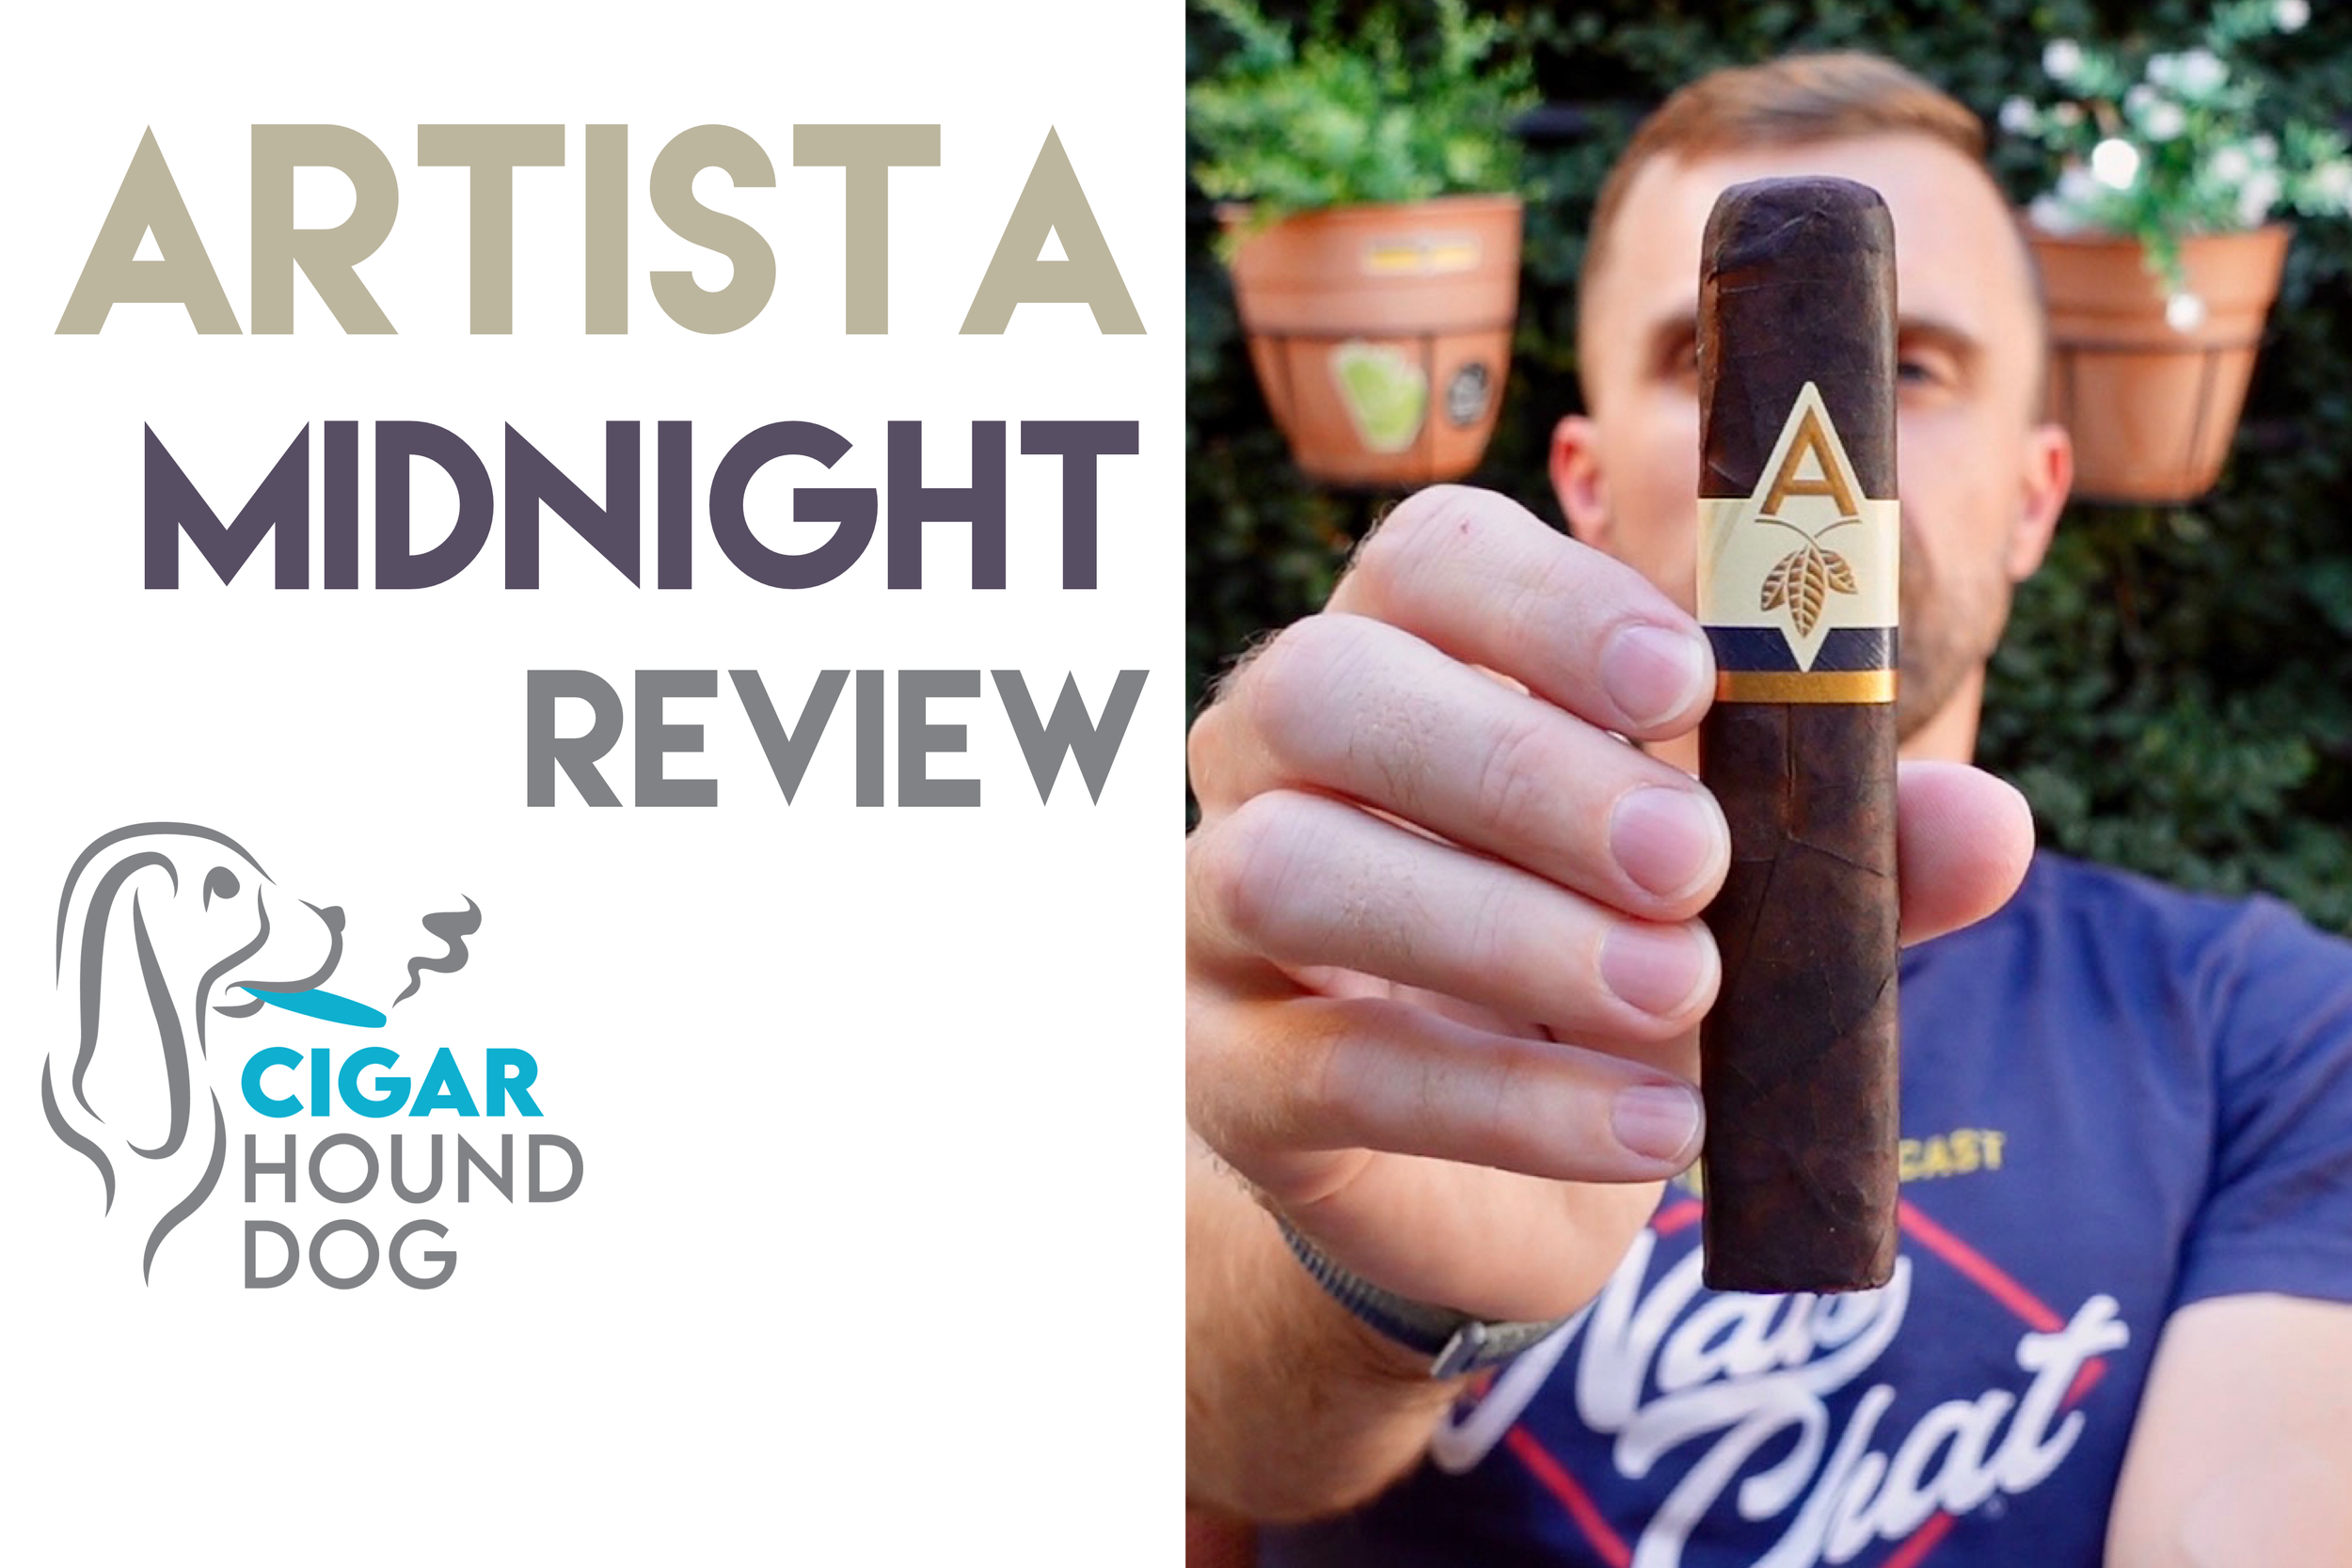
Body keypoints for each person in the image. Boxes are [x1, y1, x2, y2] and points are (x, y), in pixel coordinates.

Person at [1185, 51, 2352, 1567]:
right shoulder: (1345, 964)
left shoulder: (2267, 1030)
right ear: (1585, 483)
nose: (1837, 436)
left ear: (2037, 493)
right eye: (1704, 360)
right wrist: (1365, 1274)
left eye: (1913, 368)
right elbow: (1187, 1450)